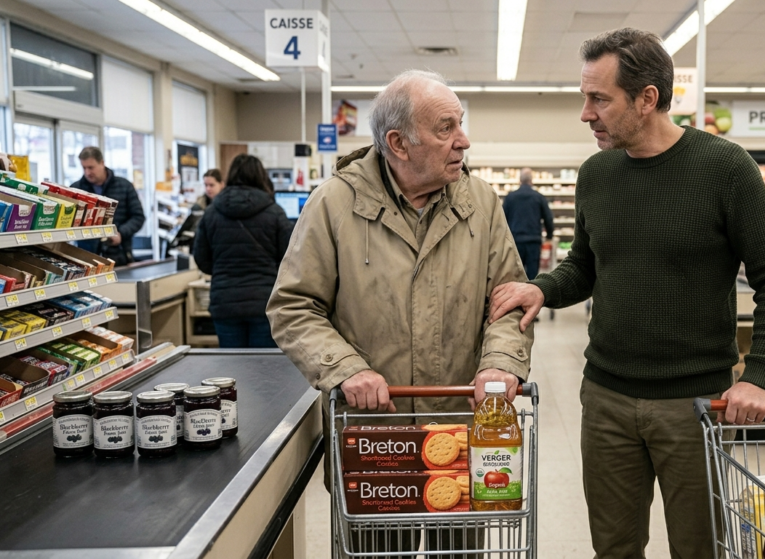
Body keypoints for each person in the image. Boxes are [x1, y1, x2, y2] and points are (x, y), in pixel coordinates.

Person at [487, 28, 765, 559]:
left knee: (700, 548)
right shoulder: (597, 174)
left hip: (695, 403)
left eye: (599, 99)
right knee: (613, 548)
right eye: (585, 97)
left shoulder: (726, 169)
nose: (585, 114)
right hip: (606, 397)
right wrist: (540, 288)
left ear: (647, 98)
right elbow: (584, 266)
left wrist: (761, 373)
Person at [266, 70, 533, 555]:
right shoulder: (335, 204)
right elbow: (294, 305)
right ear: (398, 143)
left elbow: (508, 300)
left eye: (460, 124)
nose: (463, 140)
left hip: (460, 435)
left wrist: (500, 362)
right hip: (376, 443)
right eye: (446, 128)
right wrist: (347, 369)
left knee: (462, 553)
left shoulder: (481, 203)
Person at [193, 155, 292, 348]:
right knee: (264, 363)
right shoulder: (275, 212)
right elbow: (289, 256)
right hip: (265, 301)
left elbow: (201, 258)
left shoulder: (211, 213)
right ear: (261, 176)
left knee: (231, 362)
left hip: (224, 301)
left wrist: (223, 270)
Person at [71, 147, 146, 266]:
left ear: (102, 163)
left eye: (91, 167)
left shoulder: (124, 186)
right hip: (86, 257)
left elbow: (138, 217)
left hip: (119, 255)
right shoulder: (76, 190)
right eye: (84, 168)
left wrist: (121, 233)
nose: (87, 172)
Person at [502, 167, 554, 279]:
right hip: (533, 241)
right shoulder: (539, 197)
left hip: (515, 241)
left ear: (519, 180)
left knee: (515, 275)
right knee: (532, 275)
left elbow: (502, 219)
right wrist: (549, 236)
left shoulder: (510, 197)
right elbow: (548, 218)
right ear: (531, 180)